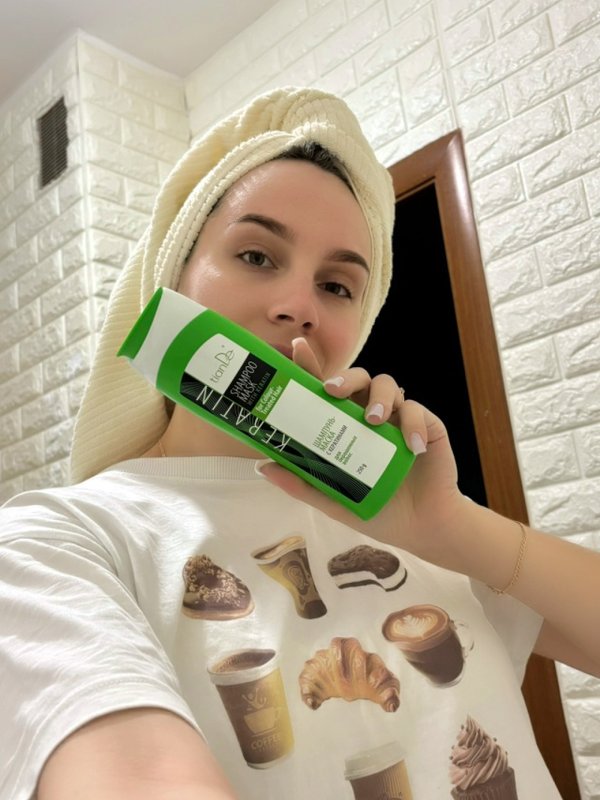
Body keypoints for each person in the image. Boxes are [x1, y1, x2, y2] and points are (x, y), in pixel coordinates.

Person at [1, 86, 599, 800]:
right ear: (174, 276)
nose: (298, 306)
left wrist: (453, 530)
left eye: (338, 286)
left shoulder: (417, 526)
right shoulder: (59, 542)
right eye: (256, 255)